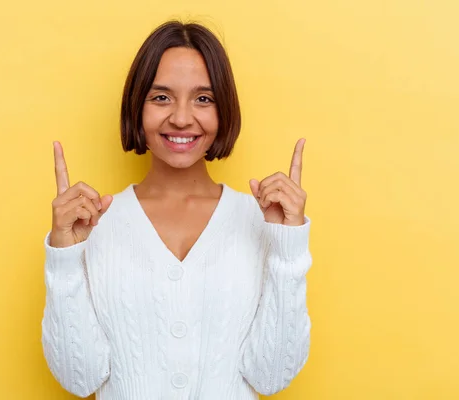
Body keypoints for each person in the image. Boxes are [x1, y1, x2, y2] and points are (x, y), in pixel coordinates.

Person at [41, 20, 312, 400]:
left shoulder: (264, 222)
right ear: (137, 107)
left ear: (224, 110)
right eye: (161, 97)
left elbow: (271, 377)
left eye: (203, 99)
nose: (182, 118)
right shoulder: (93, 225)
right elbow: (79, 377)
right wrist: (64, 258)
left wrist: (288, 248)